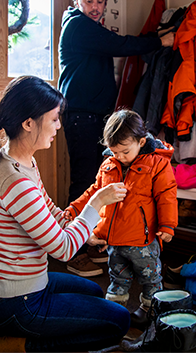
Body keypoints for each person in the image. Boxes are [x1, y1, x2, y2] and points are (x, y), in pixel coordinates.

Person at [0, 76, 130, 353]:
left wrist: (87, 235)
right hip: (17, 301)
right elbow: (63, 249)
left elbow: (51, 211)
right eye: (54, 119)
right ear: (28, 123)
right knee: (118, 322)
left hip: (23, 285)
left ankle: (12, 331)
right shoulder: (14, 180)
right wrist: (97, 203)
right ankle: (12, 345)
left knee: (93, 292)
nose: (59, 126)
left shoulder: (21, 161)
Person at [58, 0, 175, 276]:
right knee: (86, 180)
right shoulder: (77, 25)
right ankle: (73, 252)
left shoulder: (89, 27)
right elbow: (120, 44)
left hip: (93, 116)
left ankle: (92, 241)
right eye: (88, 1)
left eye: (100, 2)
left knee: (97, 179)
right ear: (76, 0)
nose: (95, 7)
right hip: (82, 115)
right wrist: (159, 41)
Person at [63, 109, 178, 330]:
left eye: (125, 151)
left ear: (141, 141)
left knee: (151, 280)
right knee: (117, 279)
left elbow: (167, 195)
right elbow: (93, 192)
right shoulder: (108, 164)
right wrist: (74, 209)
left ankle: (150, 313)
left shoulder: (157, 163)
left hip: (143, 241)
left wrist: (167, 225)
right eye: (115, 152)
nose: (120, 157)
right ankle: (113, 314)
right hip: (114, 242)